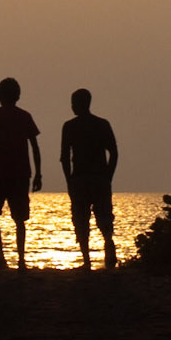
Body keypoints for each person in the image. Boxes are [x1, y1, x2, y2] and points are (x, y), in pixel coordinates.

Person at [0, 76, 42, 270]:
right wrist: (38, 173)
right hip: (18, 173)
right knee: (18, 218)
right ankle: (19, 260)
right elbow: (35, 147)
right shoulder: (24, 116)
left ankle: (3, 257)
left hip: (2, 172)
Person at [60, 88, 118, 270]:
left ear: (79, 104)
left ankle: (87, 261)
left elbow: (64, 157)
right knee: (103, 216)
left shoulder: (69, 126)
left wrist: (69, 180)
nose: (71, 106)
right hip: (99, 178)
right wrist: (108, 175)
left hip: (81, 178)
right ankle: (107, 244)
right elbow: (114, 153)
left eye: (73, 103)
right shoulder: (102, 124)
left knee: (81, 219)